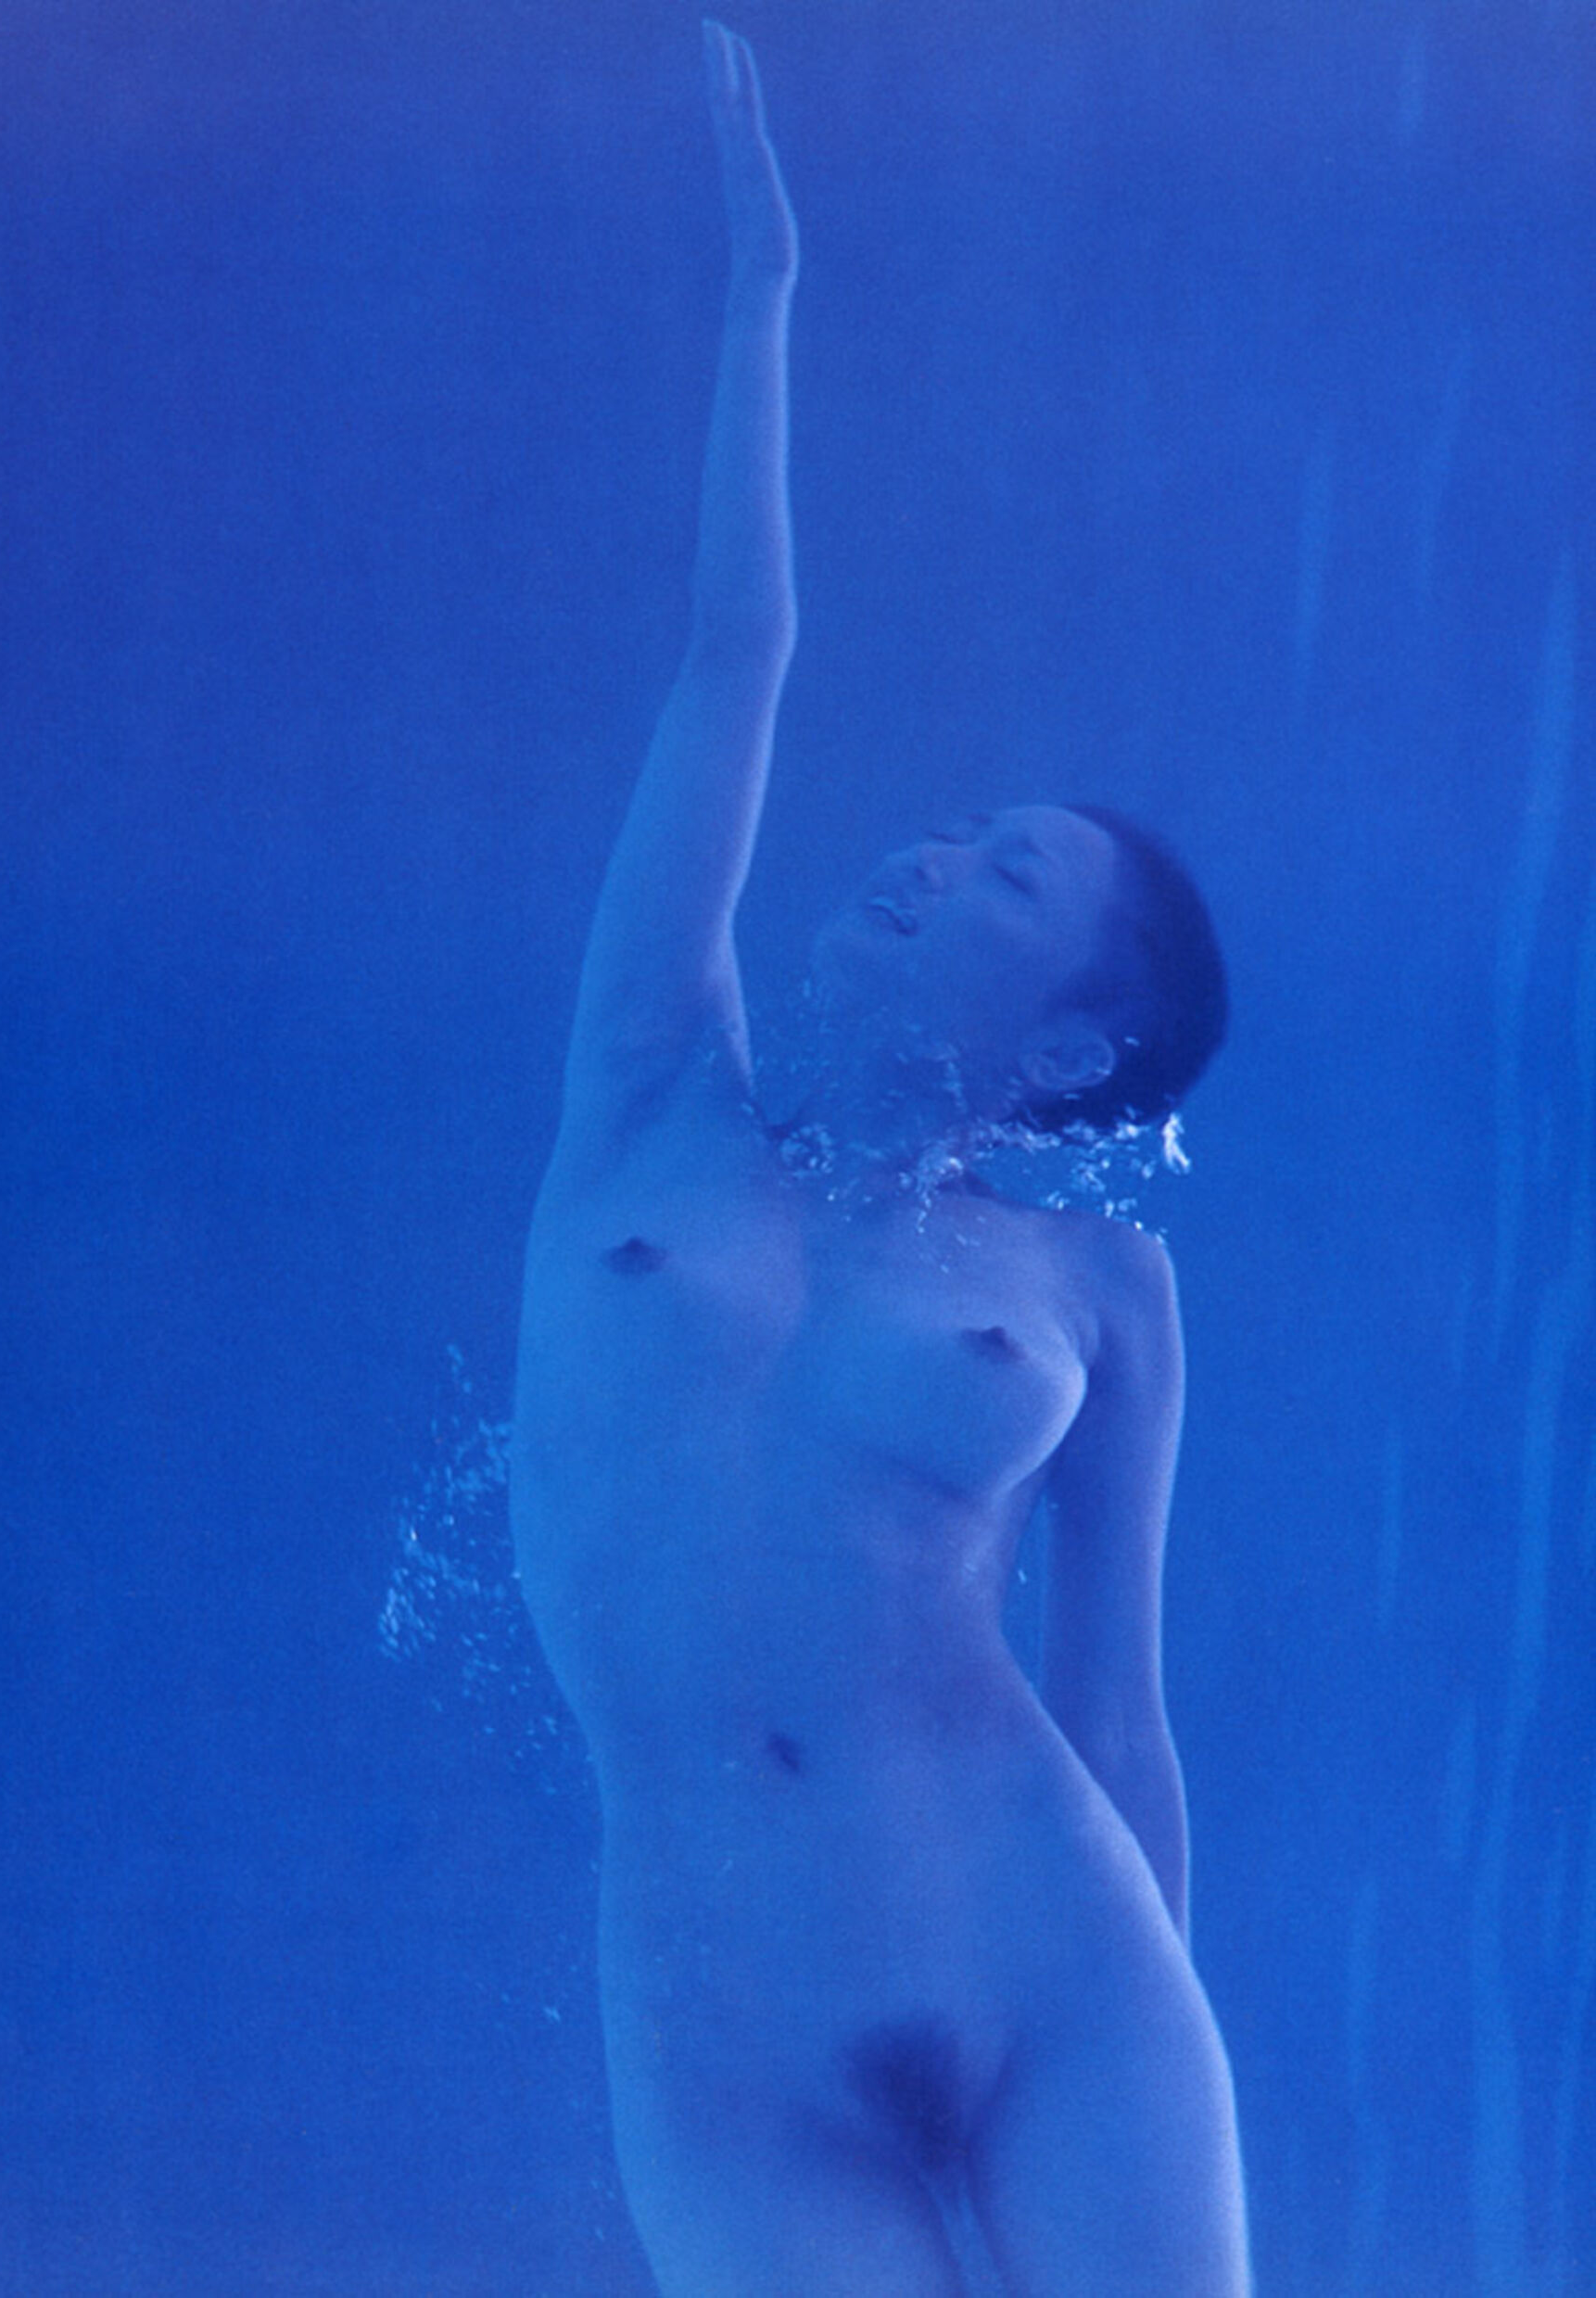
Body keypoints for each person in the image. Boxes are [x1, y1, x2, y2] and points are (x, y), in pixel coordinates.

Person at [511, 24, 1249, 2294]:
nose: (934, 858)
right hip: (723, 2022)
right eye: (955, 827)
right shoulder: (656, 1081)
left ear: (1081, 1037)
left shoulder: (1097, 1287)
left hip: (1061, 1965)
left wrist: (1177, 1980)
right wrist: (766, 292)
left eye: (1010, 874)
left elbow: (1119, 1708)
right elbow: (738, 654)